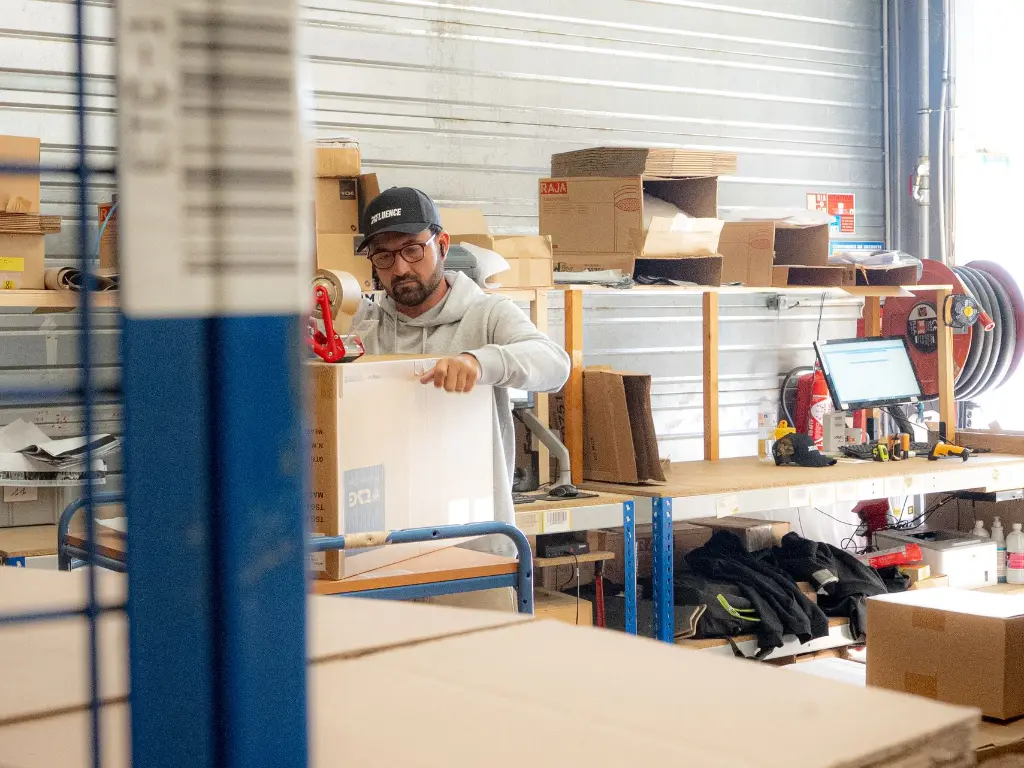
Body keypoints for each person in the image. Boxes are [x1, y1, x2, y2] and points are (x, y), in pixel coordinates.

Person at [349, 186, 571, 571]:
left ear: (442, 245)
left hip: (476, 548)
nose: (399, 269)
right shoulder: (364, 324)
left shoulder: (488, 314)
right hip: (382, 548)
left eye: (412, 250)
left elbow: (555, 365)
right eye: (384, 256)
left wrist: (480, 362)